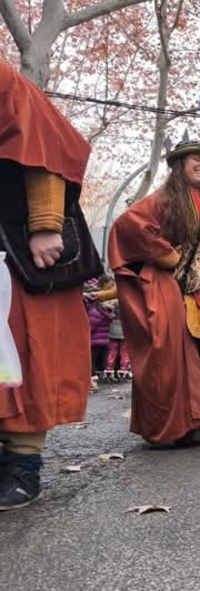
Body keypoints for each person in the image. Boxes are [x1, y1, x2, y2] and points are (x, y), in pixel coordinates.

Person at [110, 141, 200, 447]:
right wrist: (171, 258)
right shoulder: (160, 200)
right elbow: (128, 227)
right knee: (182, 357)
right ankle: (186, 420)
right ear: (179, 165)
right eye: (196, 160)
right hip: (177, 289)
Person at [0, 63, 95, 511]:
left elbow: (44, 138)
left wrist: (44, 223)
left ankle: (22, 466)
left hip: (16, 250)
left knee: (21, 356)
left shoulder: (4, 79)